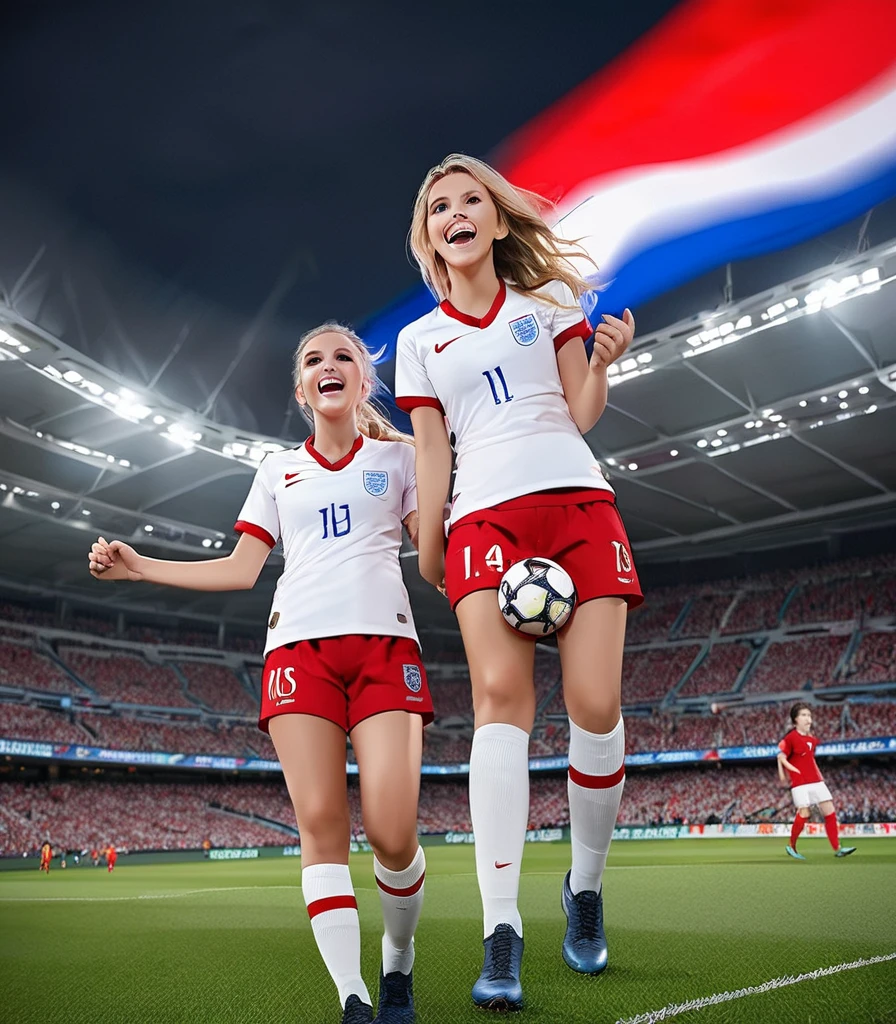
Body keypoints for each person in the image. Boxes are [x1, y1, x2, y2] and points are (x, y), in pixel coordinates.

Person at [87, 323, 434, 1024]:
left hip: (384, 649)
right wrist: (140, 566)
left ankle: (398, 963)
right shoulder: (278, 470)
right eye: (313, 359)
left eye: (344, 357)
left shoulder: (401, 462)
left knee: (394, 834)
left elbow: (434, 551)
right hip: (296, 654)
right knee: (320, 823)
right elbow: (242, 569)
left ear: (364, 382)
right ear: (302, 388)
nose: (328, 366)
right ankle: (355, 996)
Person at [395, 154, 641, 1011]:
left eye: (471, 201)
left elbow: (579, 411)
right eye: (438, 208)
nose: (455, 214)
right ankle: (503, 930)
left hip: (578, 504)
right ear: (428, 237)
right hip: (484, 521)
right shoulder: (416, 342)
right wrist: (432, 544)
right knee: (501, 702)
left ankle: (583, 888)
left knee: (595, 705)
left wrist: (604, 361)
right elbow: (432, 451)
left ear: (499, 222)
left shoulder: (550, 305)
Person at [778, 701, 857, 860]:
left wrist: (820, 776)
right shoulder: (790, 738)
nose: (808, 719)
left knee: (830, 810)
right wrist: (787, 772)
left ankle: (837, 847)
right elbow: (781, 757)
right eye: (804, 715)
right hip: (800, 782)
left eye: (809, 715)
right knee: (805, 813)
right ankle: (791, 845)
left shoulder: (812, 739)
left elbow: (811, 759)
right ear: (795, 720)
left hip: (816, 781)